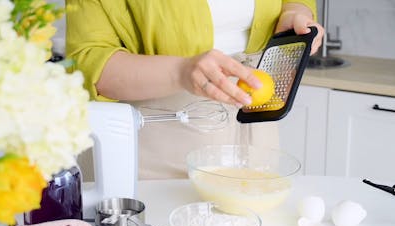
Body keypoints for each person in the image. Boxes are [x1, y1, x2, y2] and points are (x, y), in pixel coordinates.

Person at [66, 0, 324, 179]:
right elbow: (88, 62)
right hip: (160, 140)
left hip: (257, 127)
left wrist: (294, 13)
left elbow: (295, 1)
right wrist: (181, 71)